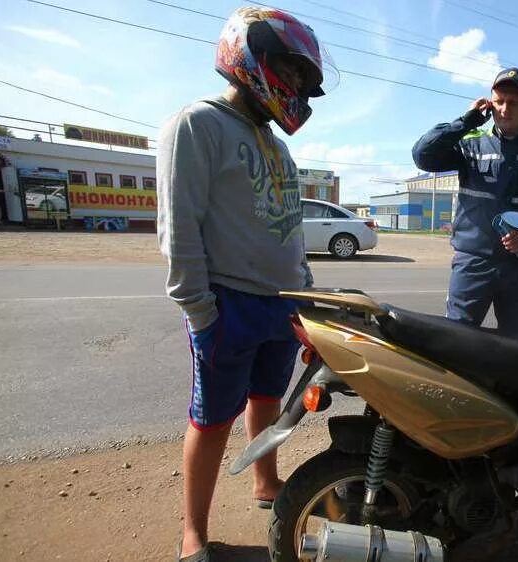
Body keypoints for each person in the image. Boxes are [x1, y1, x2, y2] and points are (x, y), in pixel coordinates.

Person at [156, 7, 337, 561]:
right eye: (294, 70)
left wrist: (304, 300)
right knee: (211, 420)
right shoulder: (198, 124)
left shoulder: (277, 145)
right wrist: (200, 313)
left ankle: (266, 482)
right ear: (251, 56)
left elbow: (289, 230)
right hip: (227, 301)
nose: (299, 85)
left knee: (268, 401)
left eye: (306, 79)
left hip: (280, 305)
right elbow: (179, 228)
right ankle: (194, 534)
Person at [413, 68, 518, 334]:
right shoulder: (469, 140)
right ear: (489, 103)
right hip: (472, 262)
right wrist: (466, 121)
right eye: (499, 101)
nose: (505, 109)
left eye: (515, 103)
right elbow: (423, 156)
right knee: (457, 339)